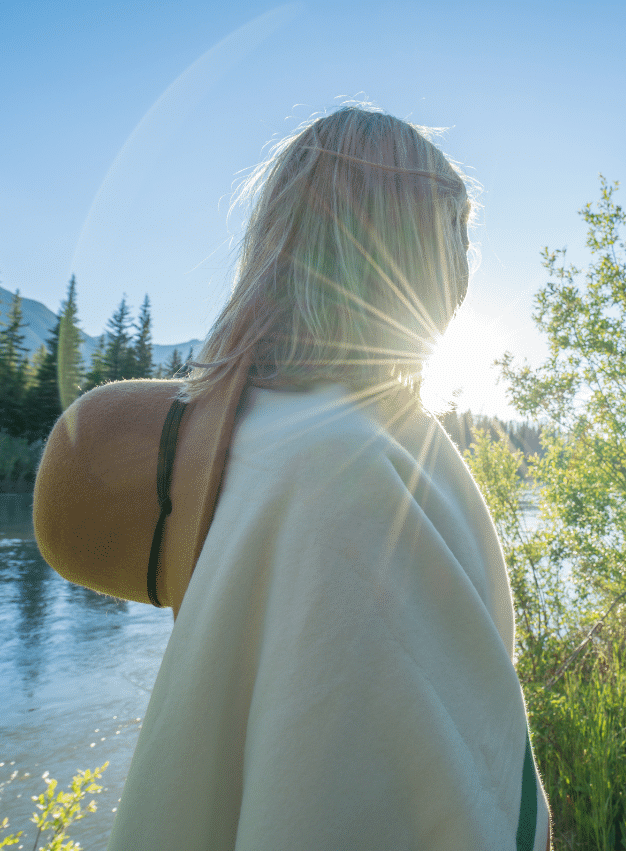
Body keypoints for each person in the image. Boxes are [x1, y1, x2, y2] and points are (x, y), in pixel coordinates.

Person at [40, 106, 550, 850]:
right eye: (453, 229)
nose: (467, 263)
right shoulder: (345, 470)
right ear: (387, 238)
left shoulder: (296, 440)